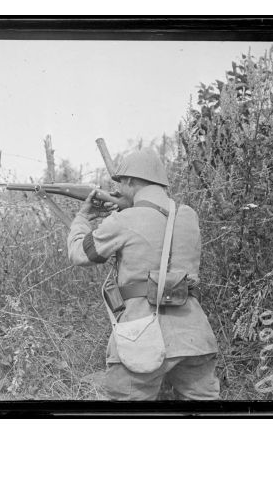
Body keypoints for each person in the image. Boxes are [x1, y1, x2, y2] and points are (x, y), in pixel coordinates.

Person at [67, 148, 220, 400]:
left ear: (129, 181)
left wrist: (83, 217)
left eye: (120, 184)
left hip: (142, 333)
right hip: (195, 336)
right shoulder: (187, 214)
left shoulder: (125, 219)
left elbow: (78, 253)